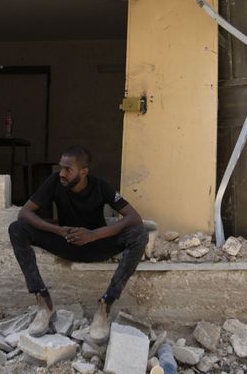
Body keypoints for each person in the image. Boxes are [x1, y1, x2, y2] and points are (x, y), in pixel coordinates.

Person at [8, 145, 148, 343]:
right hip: (66, 242)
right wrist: (57, 230)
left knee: (139, 234)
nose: (62, 174)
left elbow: (134, 217)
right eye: (61, 168)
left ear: (84, 172)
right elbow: (25, 213)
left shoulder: (100, 186)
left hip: (97, 245)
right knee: (17, 228)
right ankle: (44, 301)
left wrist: (93, 235)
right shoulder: (55, 181)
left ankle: (105, 305)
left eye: (68, 169)